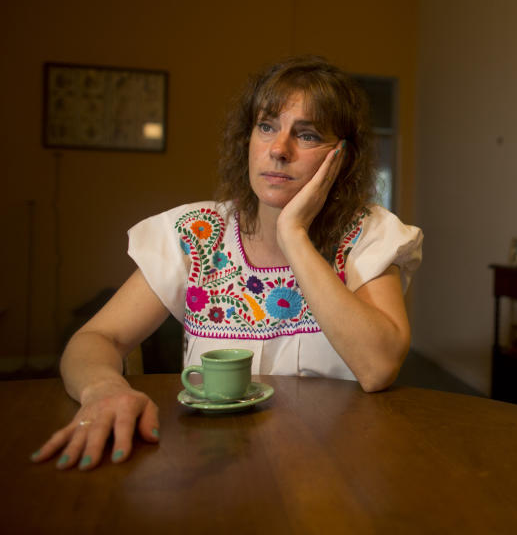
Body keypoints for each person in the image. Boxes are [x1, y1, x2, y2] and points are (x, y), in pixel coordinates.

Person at [30, 56, 423, 471]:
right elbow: (95, 339)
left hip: (333, 468)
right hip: (211, 464)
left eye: (306, 135)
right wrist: (104, 389)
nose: (278, 150)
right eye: (267, 126)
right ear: (247, 139)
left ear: (341, 158)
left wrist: (294, 236)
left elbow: (378, 367)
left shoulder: (368, 234)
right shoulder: (198, 233)